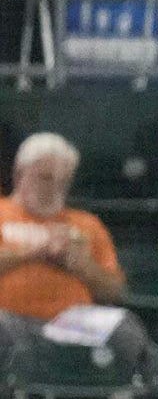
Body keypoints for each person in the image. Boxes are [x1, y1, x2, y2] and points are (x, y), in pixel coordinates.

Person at [0, 132, 124, 325]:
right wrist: (35, 253)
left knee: (125, 330)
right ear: (19, 174)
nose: (53, 188)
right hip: (9, 322)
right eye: (46, 178)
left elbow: (115, 291)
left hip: (72, 325)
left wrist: (81, 265)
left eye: (63, 181)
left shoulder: (87, 223)